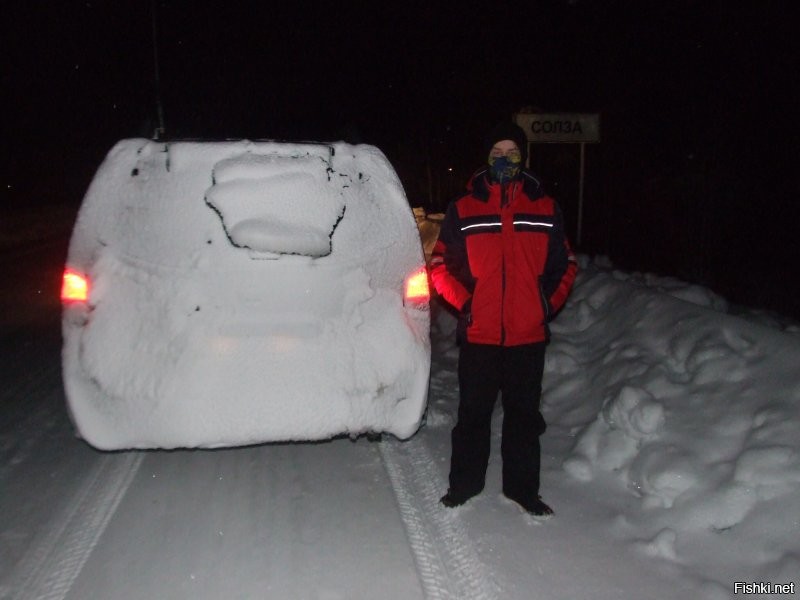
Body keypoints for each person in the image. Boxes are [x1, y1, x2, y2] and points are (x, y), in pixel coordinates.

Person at [430, 121, 578, 516]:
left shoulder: (545, 207)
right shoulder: (463, 208)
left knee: (524, 420)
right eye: (497, 152)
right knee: (472, 418)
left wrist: (543, 307)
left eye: (513, 153)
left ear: (524, 157)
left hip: (527, 339)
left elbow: (565, 267)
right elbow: (441, 266)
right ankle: (464, 485)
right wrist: (467, 304)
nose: (504, 160)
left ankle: (522, 490)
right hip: (479, 337)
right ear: (486, 157)